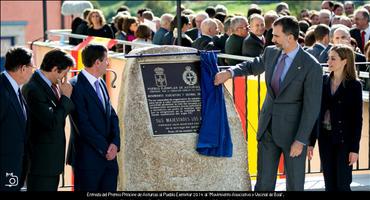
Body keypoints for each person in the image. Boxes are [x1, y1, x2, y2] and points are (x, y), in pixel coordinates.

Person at [214, 16, 323, 191]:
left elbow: (312, 108)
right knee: (263, 184)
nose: (272, 39)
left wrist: (301, 140)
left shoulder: (312, 66)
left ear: (290, 37)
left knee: (295, 185)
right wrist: (230, 72)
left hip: (293, 135)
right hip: (267, 130)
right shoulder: (271, 52)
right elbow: (252, 66)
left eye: (277, 36)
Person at [308, 44, 363, 191]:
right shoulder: (323, 81)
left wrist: (354, 149)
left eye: (333, 58)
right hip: (325, 139)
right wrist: (311, 142)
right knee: (329, 184)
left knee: (343, 185)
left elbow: (357, 120)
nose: (329, 62)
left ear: (345, 61)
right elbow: (315, 114)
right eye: (328, 58)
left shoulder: (354, 85)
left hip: (344, 141)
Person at [68, 44, 120, 191]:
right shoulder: (75, 86)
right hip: (88, 159)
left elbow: (112, 115)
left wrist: (115, 143)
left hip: (109, 159)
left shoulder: (101, 82)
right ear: (97, 62)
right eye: (106, 60)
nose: (108, 63)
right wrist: (106, 148)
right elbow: (83, 125)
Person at [22, 49, 75, 191]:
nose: (65, 77)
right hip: (41, 164)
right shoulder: (33, 88)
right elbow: (51, 121)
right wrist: (65, 98)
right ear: (55, 69)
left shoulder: (52, 85)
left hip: (51, 162)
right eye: (65, 72)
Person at [0, 47, 34, 191]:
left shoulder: (16, 89)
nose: (33, 71)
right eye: (32, 67)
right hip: (4, 169)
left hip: (16, 167)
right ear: (22, 68)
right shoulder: (2, 90)